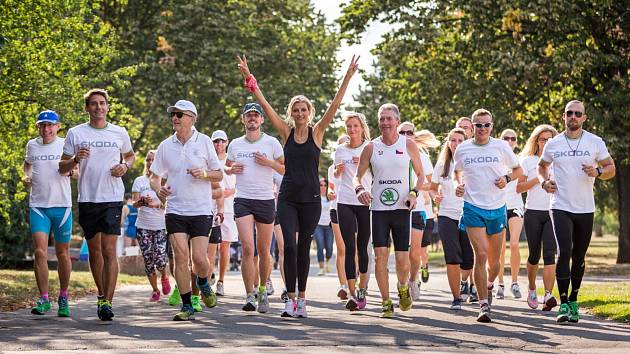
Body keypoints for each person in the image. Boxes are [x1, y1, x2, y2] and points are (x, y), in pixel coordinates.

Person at [237, 54, 359, 318]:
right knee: (289, 248)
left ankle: (302, 299)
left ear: (309, 113)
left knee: (303, 247)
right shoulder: (286, 132)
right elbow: (265, 106)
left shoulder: (317, 132)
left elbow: (336, 105)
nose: (300, 113)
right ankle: (289, 299)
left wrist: (348, 77)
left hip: (312, 200)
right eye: (296, 110)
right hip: (288, 198)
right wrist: (250, 79)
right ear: (291, 113)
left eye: (304, 109)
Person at [59, 89, 136, 321]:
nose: (99, 107)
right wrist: (75, 159)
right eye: (94, 104)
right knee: (94, 251)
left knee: (109, 250)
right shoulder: (76, 133)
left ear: (107, 107)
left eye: (102, 103)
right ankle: (101, 294)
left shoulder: (119, 132)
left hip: (112, 197)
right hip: (88, 198)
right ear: (87, 108)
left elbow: (130, 156)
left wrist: (125, 166)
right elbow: (62, 168)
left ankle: (107, 303)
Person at [538, 100, 615, 323]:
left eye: (577, 113)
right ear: (563, 117)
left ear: (584, 118)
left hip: (585, 208)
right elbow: (542, 166)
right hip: (560, 205)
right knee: (563, 252)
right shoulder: (554, 143)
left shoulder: (595, 142)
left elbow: (610, 168)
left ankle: (573, 300)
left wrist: (598, 171)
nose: (573, 116)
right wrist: (544, 182)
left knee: (579, 256)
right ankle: (563, 303)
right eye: (569, 113)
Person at [149, 99, 222, 321]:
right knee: (180, 257)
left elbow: (218, 174)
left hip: (200, 209)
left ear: (192, 118)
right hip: (175, 210)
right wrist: (159, 189)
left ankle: (202, 281)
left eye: (179, 115)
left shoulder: (205, 142)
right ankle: (187, 304)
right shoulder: (165, 145)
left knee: (199, 259)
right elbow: (154, 176)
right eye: (173, 114)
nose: (174, 118)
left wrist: (205, 174)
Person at [354, 103, 425, 318]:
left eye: (389, 119)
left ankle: (403, 286)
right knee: (380, 256)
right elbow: (357, 176)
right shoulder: (371, 147)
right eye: (382, 119)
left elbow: (421, 175)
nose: (385, 122)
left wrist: (414, 193)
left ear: (396, 121)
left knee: (403, 260)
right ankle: (386, 302)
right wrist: (359, 189)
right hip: (379, 209)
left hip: (402, 209)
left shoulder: (408, 144)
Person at [453, 108, 522, 322]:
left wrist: (507, 178)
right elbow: (457, 171)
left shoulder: (501, 146)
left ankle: (490, 283)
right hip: (472, 206)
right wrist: (458, 184)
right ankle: (483, 304)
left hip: (497, 207)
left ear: (492, 126)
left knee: (495, 264)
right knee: (480, 255)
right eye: (478, 125)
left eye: (486, 125)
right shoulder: (463, 149)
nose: (482, 129)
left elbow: (518, 170)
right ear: (471, 127)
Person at [225, 102, 285, 313]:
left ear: (261, 120)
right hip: (243, 199)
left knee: (263, 250)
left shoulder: (272, 143)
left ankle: (262, 290)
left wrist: (268, 163)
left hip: (265, 200)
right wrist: (230, 170)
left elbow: (285, 168)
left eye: (255, 116)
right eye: (248, 116)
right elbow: (227, 166)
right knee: (248, 249)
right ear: (243, 120)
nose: (252, 118)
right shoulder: (235, 144)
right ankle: (249, 294)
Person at [24, 110, 74, 317]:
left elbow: (76, 170)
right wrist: (26, 176)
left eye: (50, 125)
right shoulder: (31, 145)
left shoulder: (65, 145)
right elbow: (27, 165)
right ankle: (44, 298)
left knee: (63, 254)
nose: (46, 129)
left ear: (58, 126)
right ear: (38, 127)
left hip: (62, 206)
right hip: (38, 205)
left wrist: (73, 171)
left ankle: (63, 296)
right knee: (39, 252)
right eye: (42, 125)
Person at [517, 124, 559, 311]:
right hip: (533, 211)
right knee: (534, 254)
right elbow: (519, 188)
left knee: (549, 253)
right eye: (543, 139)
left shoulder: (559, 161)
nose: (547, 142)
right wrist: (539, 179)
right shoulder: (528, 161)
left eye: (550, 139)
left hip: (553, 211)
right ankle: (532, 288)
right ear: (536, 141)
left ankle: (548, 295)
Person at [430, 127, 473, 310]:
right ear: (448, 143)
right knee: (452, 257)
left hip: (469, 214)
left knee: (469, 259)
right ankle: (456, 298)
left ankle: (464, 281)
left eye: (460, 141)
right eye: (452, 140)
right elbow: (432, 188)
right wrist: (435, 197)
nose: (456, 144)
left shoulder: (471, 163)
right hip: (447, 215)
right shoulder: (442, 165)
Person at [334, 112, 372, 311]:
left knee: (362, 247)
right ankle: (352, 293)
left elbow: (378, 173)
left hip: (365, 202)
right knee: (349, 248)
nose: (352, 129)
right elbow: (334, 174)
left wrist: (364, 164)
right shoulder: (340, 149)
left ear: (361, 127)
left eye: (355, 126)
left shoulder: (370, 147)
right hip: (345, 201)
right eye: (349, 126)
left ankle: (363, 289)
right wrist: (337, 171)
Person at [397, 122, 436, 301]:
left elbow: (430, 183)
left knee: (415, 254)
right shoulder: (391, 154)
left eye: (409, 132)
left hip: (417, 208)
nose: (405, 135)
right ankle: (402, 284)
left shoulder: (421, 156)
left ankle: (413, 280)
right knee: (401, 253)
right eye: (401, 132)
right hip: (396, 209)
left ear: (414, 135)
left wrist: (415, 189)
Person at [131, 150, 170, 302]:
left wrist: (158, 204)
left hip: (160, 226)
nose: (149, 162)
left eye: (153, 160)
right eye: (148, 160)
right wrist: (142, 201)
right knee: (148, 260)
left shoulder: (164, 180)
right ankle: (155, 290)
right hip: (143, 226)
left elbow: (169, 201)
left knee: (159, 258)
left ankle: (165, 277)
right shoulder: (139, 181)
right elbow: (134, 203)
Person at [497, 129, 524, 299]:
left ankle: (514, 282)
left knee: (514, 244)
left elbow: (523, 181)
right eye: (505, 138)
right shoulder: (496, 159)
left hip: (515, 205)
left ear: (516, 142)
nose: (509, 140)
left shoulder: (520, 161)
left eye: (513, 138)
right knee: (499, 249)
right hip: (498, 205)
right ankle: (500, 283)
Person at [211, 130, 238, 297]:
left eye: (222, 141)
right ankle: (207, 277)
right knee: (210, 248)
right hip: (211, 206)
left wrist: (231, 191)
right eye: (216, 141)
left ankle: (221, 281)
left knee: (224, 248)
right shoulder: (208, 159)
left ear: (227, 142)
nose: (219, 144)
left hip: (229, 208)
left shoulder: (232, 160)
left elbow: (240, 184)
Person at [329, 135, 350, 300]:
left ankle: (353, 283)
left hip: (354, 208)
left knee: (354, 249)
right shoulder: (332, 169)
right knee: (342, 249)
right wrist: (330, 193)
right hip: (336, 208)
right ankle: (343, 286)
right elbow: (331, 188)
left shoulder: (360, 163)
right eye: (341, 145)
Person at [314, 177, 334, 276]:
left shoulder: (330, 197)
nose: (323, 187)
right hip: (318, 226)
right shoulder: (315, 197)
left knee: (329, 248)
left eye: (325, 185)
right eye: (321, 185)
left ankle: (327, 261)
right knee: (320, 246)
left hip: (330, 226)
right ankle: (321, 268)